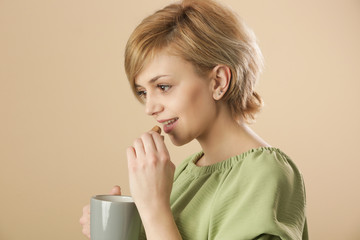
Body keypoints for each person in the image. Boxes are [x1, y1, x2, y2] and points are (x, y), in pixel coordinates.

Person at [80, 0, 308, 239]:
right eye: (143, 92)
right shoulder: (185, 173)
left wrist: (153, 209)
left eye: (163, 86)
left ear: (218, 81)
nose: (150, 107)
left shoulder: (266, 173)